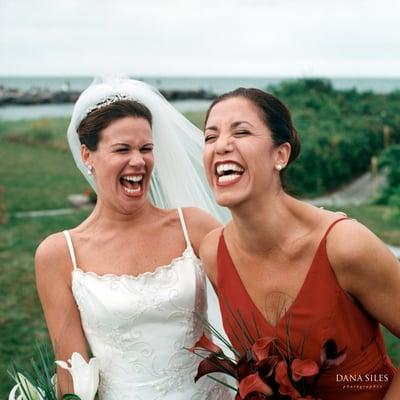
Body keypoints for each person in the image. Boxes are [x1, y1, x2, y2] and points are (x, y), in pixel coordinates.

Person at [35, 78, 232, 399]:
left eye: (146, 148)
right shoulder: (58, 254)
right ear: (88, 155)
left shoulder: (194, 226)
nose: (138, 161)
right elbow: (71, 374)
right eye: (122, 149)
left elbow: (252, 309)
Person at [200, 87, 400, 399]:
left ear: (280, 154)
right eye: (210, 137)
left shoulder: (344, 245)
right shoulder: (214, 252)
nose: (221, 145)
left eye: (241, 132)